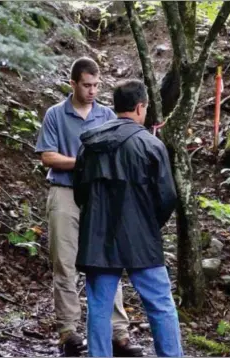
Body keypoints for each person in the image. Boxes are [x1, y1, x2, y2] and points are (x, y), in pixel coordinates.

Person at [35, 57, 142, 357]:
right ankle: (68, 332)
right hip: (65, 192)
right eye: (87, 85)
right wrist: (83, 161)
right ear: (73, 83)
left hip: (99, 196)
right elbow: (47, 156)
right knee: (65, 264)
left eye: (96, 85)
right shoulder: (56, 114)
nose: (93, 90)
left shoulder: (108, 114)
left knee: (108, 262)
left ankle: (117, 333)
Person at [73, 79, 183, 357]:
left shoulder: (89, 143)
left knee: (99, 306)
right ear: (139, 107)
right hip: (141, 238)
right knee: (160, 304)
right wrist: (148, 224)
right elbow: (167, 197)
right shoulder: (150, 144)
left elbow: (80, 192)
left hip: (97, 237)